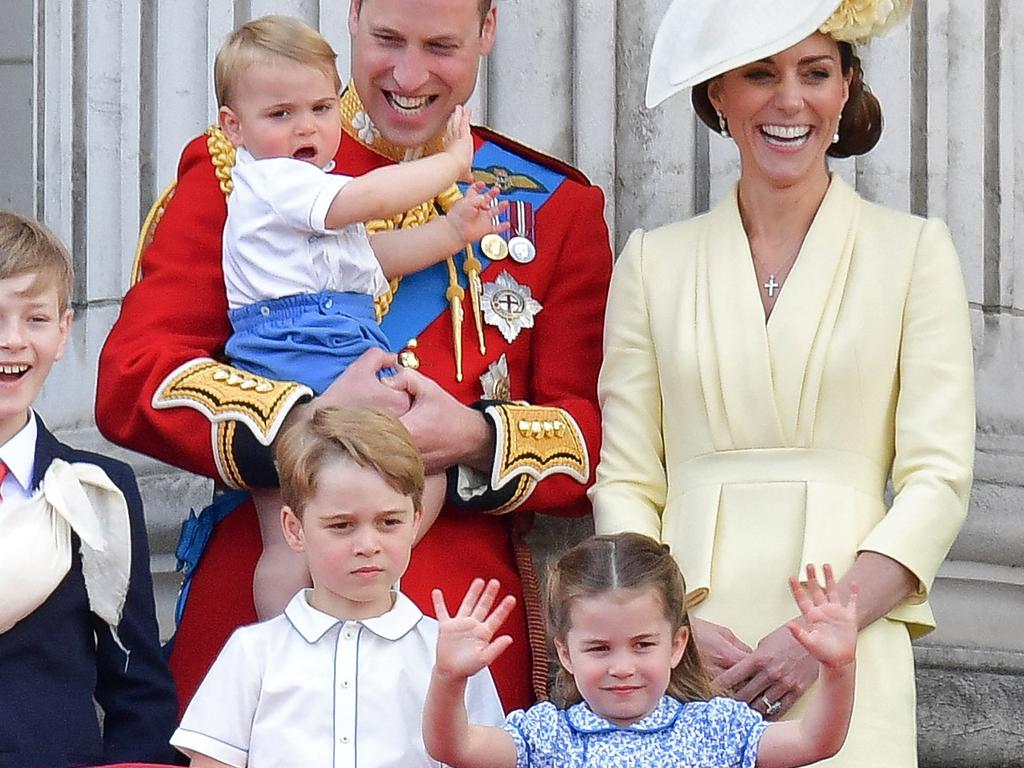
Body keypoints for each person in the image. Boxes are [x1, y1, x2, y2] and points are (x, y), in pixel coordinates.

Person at [95, 0, 611, 714]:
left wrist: (474, 436)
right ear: (354, 16)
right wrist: (308, 418)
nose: (409, 73)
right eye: (388, 40)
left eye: (440, 46)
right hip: (271, 613)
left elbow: (590, 439)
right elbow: (134, 380)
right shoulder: (242, 167)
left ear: (488, 32)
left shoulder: (554, 207)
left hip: (451, 633)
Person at [591, 0, 975, 765]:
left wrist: (823, 635)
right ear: (719, 98)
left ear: (846, 89)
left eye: (815, 72)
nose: (789, 99)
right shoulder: (652, 262)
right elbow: (627, 476)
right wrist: (667, 631)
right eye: (760, 73)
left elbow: (938, 480)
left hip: (848, 642)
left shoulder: (915, 252)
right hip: (684, 650)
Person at [213, 15, 507, 617]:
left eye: (321, 108)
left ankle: (347, 597)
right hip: (297, 354)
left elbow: (372, 258)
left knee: (409, 483)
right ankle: (284, 647)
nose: (306, 127)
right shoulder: (279, 181)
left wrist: (450, 230)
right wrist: (453, 162)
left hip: (336, 334)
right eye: (280, 114)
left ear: (487, 29)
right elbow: (368, 201)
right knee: (289, 532)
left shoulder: (313, 185)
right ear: (233, 127)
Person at [171, 406, 504, 768]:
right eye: (342, 525)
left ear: (415, 520)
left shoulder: (448, 654)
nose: (367, 545)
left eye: (389, 522)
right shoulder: (253, 653)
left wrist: (450, 676)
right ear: (294, 529)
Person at [423, 533, 858, 768]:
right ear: (566, 654)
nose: (622, 667)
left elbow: (815, 740)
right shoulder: (547, 738)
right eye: (598, 648)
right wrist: (449, 677)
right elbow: (454, 748)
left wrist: (839, 667)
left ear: (676, 644)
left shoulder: (714, 729)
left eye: (643, 645)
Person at [0, 212, 178, 768]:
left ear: (64, 332)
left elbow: (137, 687)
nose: (12, 341)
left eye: (35, 318)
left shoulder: (102, 491)